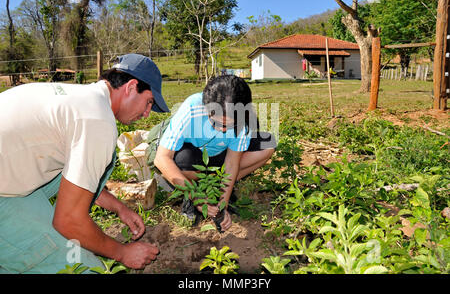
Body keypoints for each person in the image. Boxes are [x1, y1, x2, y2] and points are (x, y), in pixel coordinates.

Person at [0, 53, 170, 274]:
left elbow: (76, 171)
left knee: (102, 160)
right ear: (131, 86)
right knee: (84, 269)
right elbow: (67, 221)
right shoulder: (97, 120)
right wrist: (122, 252)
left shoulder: (82, 97)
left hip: (9, 171)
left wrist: (119, 208)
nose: (147, 114)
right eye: (148, 102)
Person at [154, 75, 276, 232]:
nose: (223, 129)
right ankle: (196, 188)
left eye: (229, 125)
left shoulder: (244, 120)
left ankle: (217, 188)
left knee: (268, 144)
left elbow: (232, 163)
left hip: (221, 158)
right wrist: (196, 197)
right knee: (181, 160)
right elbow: (161, 158)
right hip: (193, 157)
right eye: (216, 122)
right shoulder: (192, 107)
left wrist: (222, 205)